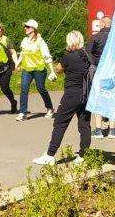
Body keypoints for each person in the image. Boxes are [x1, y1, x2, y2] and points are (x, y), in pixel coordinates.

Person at [32, 31, 93, 166]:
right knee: (84, 125)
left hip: (71, 94)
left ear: (69, 41)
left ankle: (50, 155)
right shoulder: (87, 56)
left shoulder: (67, 56)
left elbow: (58, 69)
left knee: (60, 123)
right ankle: (83, 155)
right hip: (87, 94)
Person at [15, 19, 56, 121]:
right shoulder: (24, 40)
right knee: (24, 88)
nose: (25, 28)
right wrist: (17, 63)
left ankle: (50, 108)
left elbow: (47, 56)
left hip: (39, 69)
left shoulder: (40, 42)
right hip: (27, 69)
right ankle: (22, 112)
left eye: (27, 27)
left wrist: (52, 71)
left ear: (33, 29)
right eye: (25, 26)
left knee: (40, 88)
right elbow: (23, 53)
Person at [86, 16, 115, 138]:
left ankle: (98, 129)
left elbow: (88, 52)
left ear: (103, 24)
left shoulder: (95, 37)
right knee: (113, 97)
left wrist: (94, 63)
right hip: (113, 71)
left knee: (98, 97)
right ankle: (113, 130)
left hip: (98, 69)